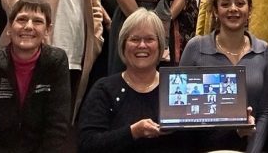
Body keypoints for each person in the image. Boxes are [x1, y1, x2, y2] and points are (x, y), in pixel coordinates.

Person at [78, 9, 198, 152]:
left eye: (149, 39)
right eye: (134, 39)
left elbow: (196, 140)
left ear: (160, 46)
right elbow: (87, 145)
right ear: (123, 45)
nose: (142, 45)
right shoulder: (104, 89)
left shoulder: (179, 87)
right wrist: (133, 132)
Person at [0, 0, 72, 153]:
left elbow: (57, 126)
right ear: (9, 27)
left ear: (48, 30)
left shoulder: (56, 62)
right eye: (22, 19)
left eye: (37, 21)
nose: (28, 26)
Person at [180, 0, 268, 153]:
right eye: (225, 4)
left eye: (240, 3)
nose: (233, 9)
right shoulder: (195, 48)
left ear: (249, 9)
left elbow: (266, 110)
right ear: (215, 11)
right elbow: (181, 110)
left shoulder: (263, 51)